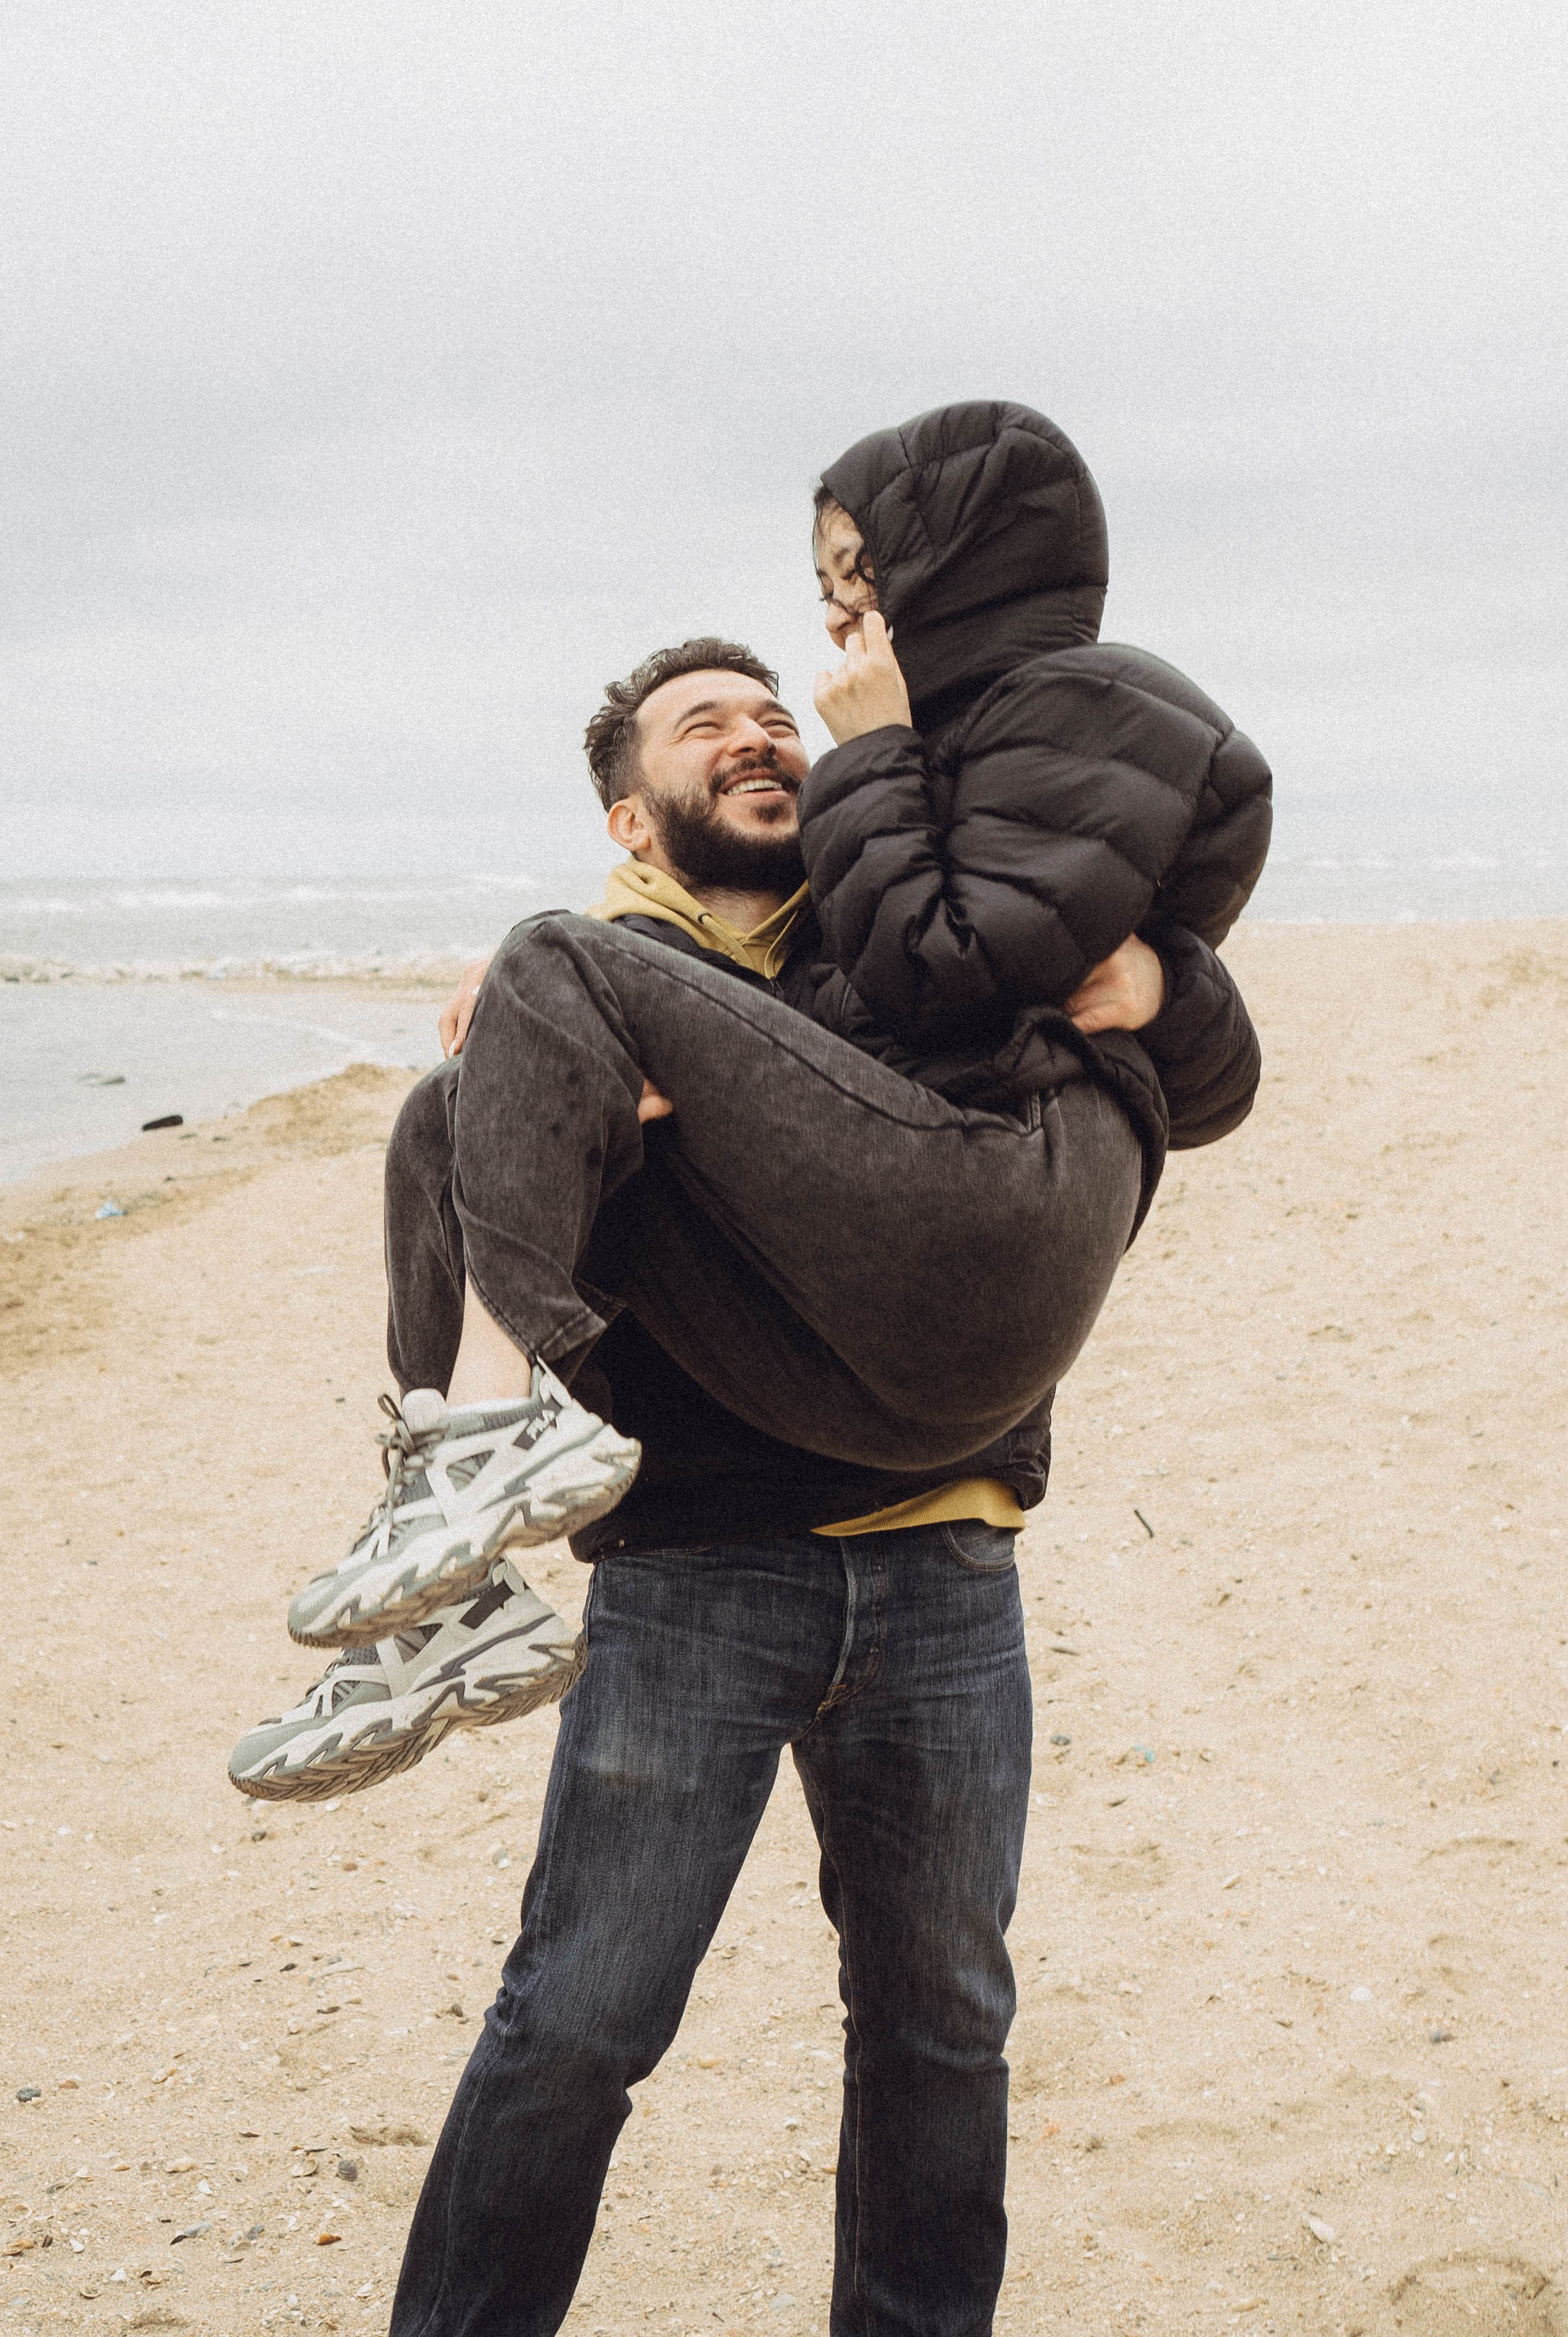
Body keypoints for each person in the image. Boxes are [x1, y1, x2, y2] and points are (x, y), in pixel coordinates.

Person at [230, 402, 1269, 1803]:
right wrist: (550, 1033)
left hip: (932, 1479)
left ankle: (485, 1453)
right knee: (445, 1105)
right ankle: (448, 1597)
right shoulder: (647, 963)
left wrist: (1162, 979)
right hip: (716, 1519)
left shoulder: (888, 865)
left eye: (780, 719)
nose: (767, 732)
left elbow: (1121, 1024)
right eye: (706, 727)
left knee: (546, 962)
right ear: (631, 819)